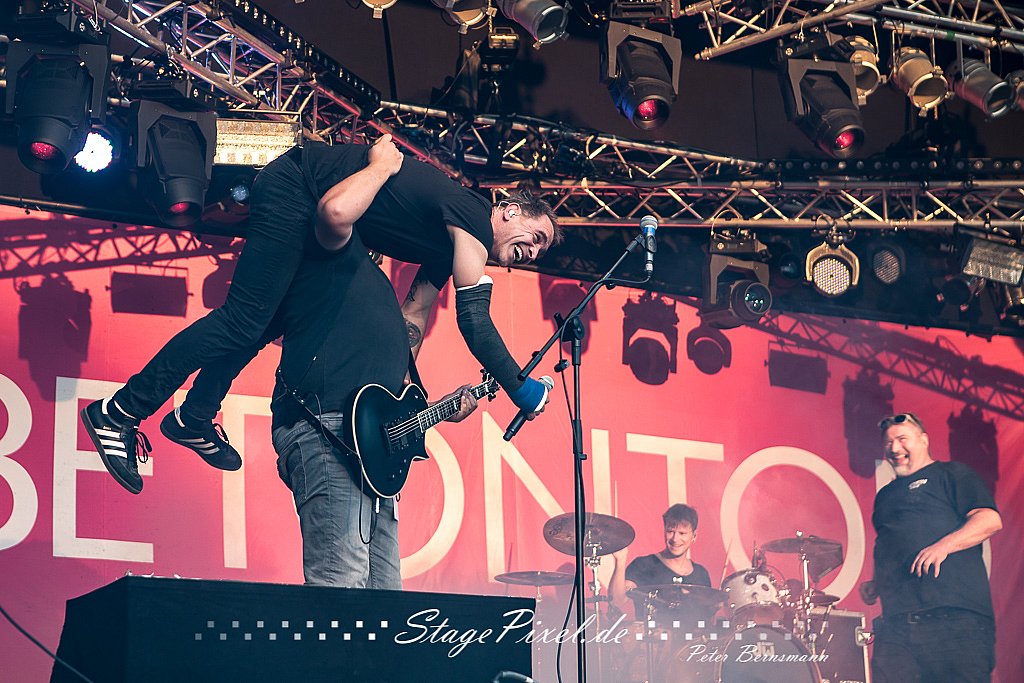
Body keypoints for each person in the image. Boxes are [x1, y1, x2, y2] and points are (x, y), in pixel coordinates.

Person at [81, 135, 560, 494]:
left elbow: (412, 318)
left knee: (264, 322)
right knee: (242, 320)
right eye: (536, 237)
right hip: (298, 189)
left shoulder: (451, 246)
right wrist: (523, 390)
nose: (534, 252)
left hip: (314, 213)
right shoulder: (474, 217)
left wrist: (397, 400)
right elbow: (474, 322)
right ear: (509, 211)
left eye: (542, 252)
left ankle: (196, 415)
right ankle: (118, 411)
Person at [859, 411, 1002, 683]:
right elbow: (889, 543)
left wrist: (943, 546)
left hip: (954, 620)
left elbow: (989, 520)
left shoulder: (953, 474)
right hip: (897, 624)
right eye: (888, 443)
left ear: (924, 440)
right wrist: (877, 582)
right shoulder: (886, 495)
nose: (894, 448)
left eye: (902, 439)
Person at [609, 504, 713, 626]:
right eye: (670, 531)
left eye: (682, 533)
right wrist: (620, 561)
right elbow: (617, 600)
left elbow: (705, 618)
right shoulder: (643, 565)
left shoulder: (701, 574)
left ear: (694, 536)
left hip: (691, 638)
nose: (675, 539)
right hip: (651, 637)